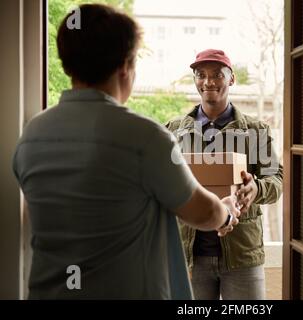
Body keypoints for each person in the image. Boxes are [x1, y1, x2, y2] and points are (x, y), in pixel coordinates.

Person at [12, 5, 239, 300]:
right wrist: (226, 213)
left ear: (67, 66)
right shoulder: (145, 137)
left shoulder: (30, 136)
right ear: (125, 66)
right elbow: (202, 211)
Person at [166, 49, 283, 300]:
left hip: (242, 255)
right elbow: (163, 186)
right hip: (190, 256)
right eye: (201, 75)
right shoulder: (175, 131)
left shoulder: (255, 131)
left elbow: (277, 180)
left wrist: (256, 189)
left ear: (231, 79)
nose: (208, 81)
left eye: (217, 74)